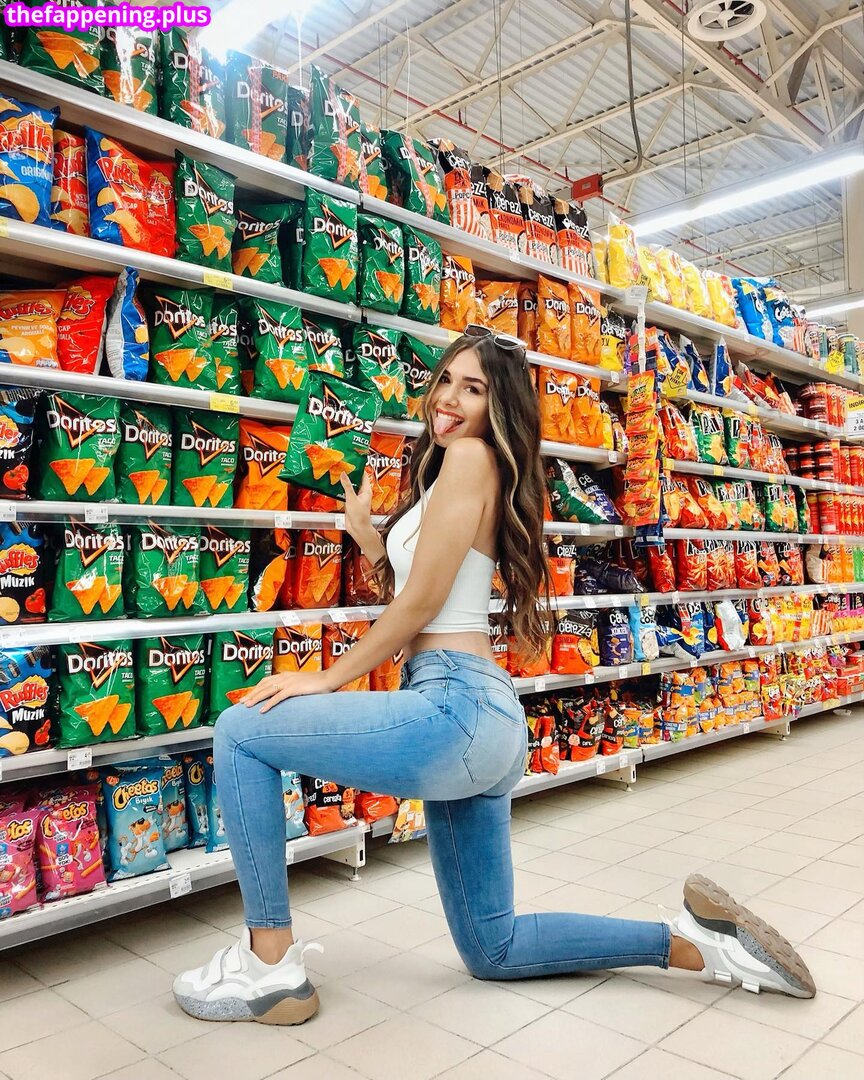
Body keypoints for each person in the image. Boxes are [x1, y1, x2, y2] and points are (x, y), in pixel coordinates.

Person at [173, 327, 816, 1026]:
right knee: (493, 947)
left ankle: (269, 966)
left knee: (241, 732)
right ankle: (697, 945)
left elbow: (423, 603)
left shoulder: (470, 457)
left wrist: (326, 677)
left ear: (496, 406)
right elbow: (426, 591)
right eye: (446, 380)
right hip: (478, 715)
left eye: (472, 389)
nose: (448, 399)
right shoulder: (462, 470)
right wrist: (369, 540)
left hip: (456, 708)